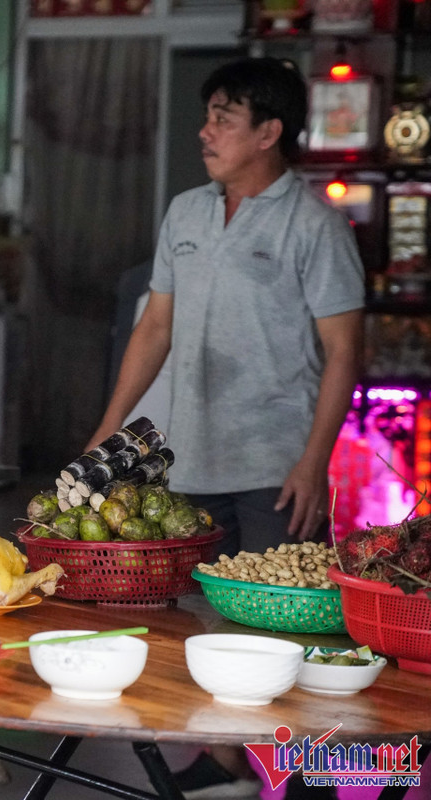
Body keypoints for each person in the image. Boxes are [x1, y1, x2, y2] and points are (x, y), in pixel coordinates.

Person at [86, 57, 364, 799]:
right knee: (205, 630)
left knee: (293, 636)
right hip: (190, 460)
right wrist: (109, 434)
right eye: (208, 115)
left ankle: (316, 780)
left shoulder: (315, 225)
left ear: (269, 132)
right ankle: (231, 759)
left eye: (223, 118)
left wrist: (313, 463)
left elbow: (343, 353)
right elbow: (154, 330)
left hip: (276, 467)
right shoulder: (185, 211)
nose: (205, 131)